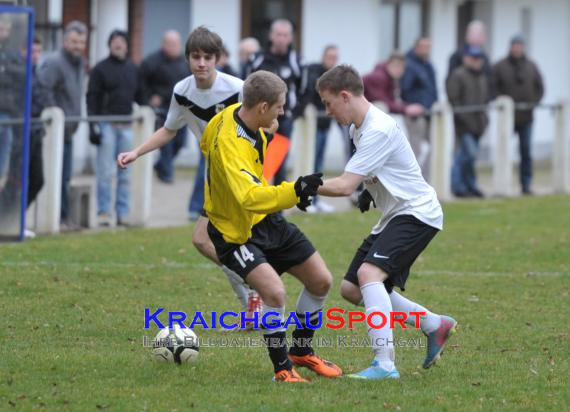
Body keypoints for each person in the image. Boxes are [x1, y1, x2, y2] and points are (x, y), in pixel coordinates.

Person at [195, 70, 341, 382]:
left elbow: (205, 144)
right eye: (279, 107)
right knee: (275, 293)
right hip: (234, 233)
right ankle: (282, 370)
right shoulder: (228, 144)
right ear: (261, 106)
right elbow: (248, 197)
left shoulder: (238, 114)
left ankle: (301, 351)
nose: (282, 112)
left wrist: (268, 132)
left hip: (267, 221)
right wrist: (295, 189)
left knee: (321, 281)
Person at [315, 64, 456, 380]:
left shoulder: (377, 128)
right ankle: (434, 324)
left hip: (417, 213)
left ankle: (385, 365)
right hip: (396, 213)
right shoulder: (358, 128)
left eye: (328, 103)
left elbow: (343, 185)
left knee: (369, 274)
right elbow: (373, 172)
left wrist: (301, 186)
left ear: (345, 96)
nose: (327, 111)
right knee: (352, 289)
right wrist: (370, 189)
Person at [117, 27, 261, 327]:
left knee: (210, 238)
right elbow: (170, 129)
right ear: (187, 59)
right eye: (196, 57)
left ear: (217, 59)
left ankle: (255, 294)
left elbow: (264, 122)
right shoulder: (182, 92)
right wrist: (137, 152)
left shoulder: (238, 88)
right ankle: (254, 291)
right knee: (207, 241)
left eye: (208, 57)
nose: (202, 63)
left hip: (239, 174)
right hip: (214, 176)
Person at [87, 30, 142, 227]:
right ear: (109, 45)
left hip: (127, 125)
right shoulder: (100, 69)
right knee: (105, 172)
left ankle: (122, 213)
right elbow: (92, 97)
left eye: (122, 42)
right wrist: (92, 126)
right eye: (115, 41)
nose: (118, 45)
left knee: (125, 172)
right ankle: (103, 212)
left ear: (127, 46)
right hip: (106, 124)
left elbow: (140, 95)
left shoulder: (133, 69)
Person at [38, 20, 88, 230]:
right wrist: (55, 115)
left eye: (81, 42)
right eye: (74, 42)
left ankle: (64, 218)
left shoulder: (79, 64)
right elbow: (42, 90)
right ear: (65, 41)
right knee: (55, 177)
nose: (78, 46)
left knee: (65, 177)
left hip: (68, 132)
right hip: (53, 133)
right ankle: (56, 219)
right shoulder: (55, 62)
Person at [244, 19, 303, 185]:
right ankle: (253, 198)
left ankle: (276, 207)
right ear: (271, 35)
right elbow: (244, 84)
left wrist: (294, 112)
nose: (281, 39)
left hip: (284, 120)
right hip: (257, 119)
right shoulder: (256, 58)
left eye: (285, 35)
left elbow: (303, 88)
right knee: (255, 157)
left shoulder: (296, 61)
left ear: (290, 38)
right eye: (278, 34)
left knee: (278, 162)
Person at [492, 35, 544, 195]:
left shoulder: (531, 66)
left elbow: (540, 87)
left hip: (526, 117)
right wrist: (503, 102)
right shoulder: (500, 66)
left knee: (526, 151)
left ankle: (526, 184)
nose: (517, 49)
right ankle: (503, 183)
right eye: (515, 45)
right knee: (503, 150)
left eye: (520, 45)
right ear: (510, 47)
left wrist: (532, 103)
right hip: (506, 118)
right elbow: (493, 87)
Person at [140, 30, 190, 184]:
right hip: (163, 109)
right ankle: (167, 174)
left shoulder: (185, 62)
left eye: (177, 44)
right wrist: (149, 99)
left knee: (180, 142)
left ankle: (161, 166)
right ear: (164, 45)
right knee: (167, 142)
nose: (175, 47)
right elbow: (141, 84)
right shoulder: (151, 61)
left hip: (182, 109)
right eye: (172, 44)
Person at [297, 44, 339, 213]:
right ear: (323, 56)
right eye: (330, 56)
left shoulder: (336, 75)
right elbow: (312, 92)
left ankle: (316, 199)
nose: (332, 60)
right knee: (311, 163)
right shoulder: (314, 71)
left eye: (335, 57)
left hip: (325, 125)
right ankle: (308, 200)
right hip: (312, 127)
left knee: (319, 165)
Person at [447, 46, 489, 198]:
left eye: (478, 58)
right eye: (473, 58)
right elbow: (454, 99)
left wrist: (485, 120)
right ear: (466, 59)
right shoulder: (458, 75)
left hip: (478, 125)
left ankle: (469, 186)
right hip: (464, 124)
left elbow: (484, 101)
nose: (476, 61)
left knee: (470, 157)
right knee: (466, 155)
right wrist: (464, 120)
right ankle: (458, 186)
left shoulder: (482, 77)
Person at [401, 37, 438, 175]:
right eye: (423, 46)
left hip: (429, 114)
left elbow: (433, 89)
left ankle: (424, 177)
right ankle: (412, 179)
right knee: (415, 149)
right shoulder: (409, 65)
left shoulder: (428, 65)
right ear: (416, 47)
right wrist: (414, 106)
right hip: (415, 115)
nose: (426, 50)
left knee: (436, 145)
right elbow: (405, 89)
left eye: (428, 47)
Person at [363, 51, 424, 118]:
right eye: (396, 66)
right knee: (381, 107)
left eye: (402, 67)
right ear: (388, 64)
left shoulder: (392, 79)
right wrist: (406, 109)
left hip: (364, 109)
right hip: (357, 109)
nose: (399, 70)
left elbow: (392, 101)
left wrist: (408, 107)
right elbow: (384, 102)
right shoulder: (379, 77)